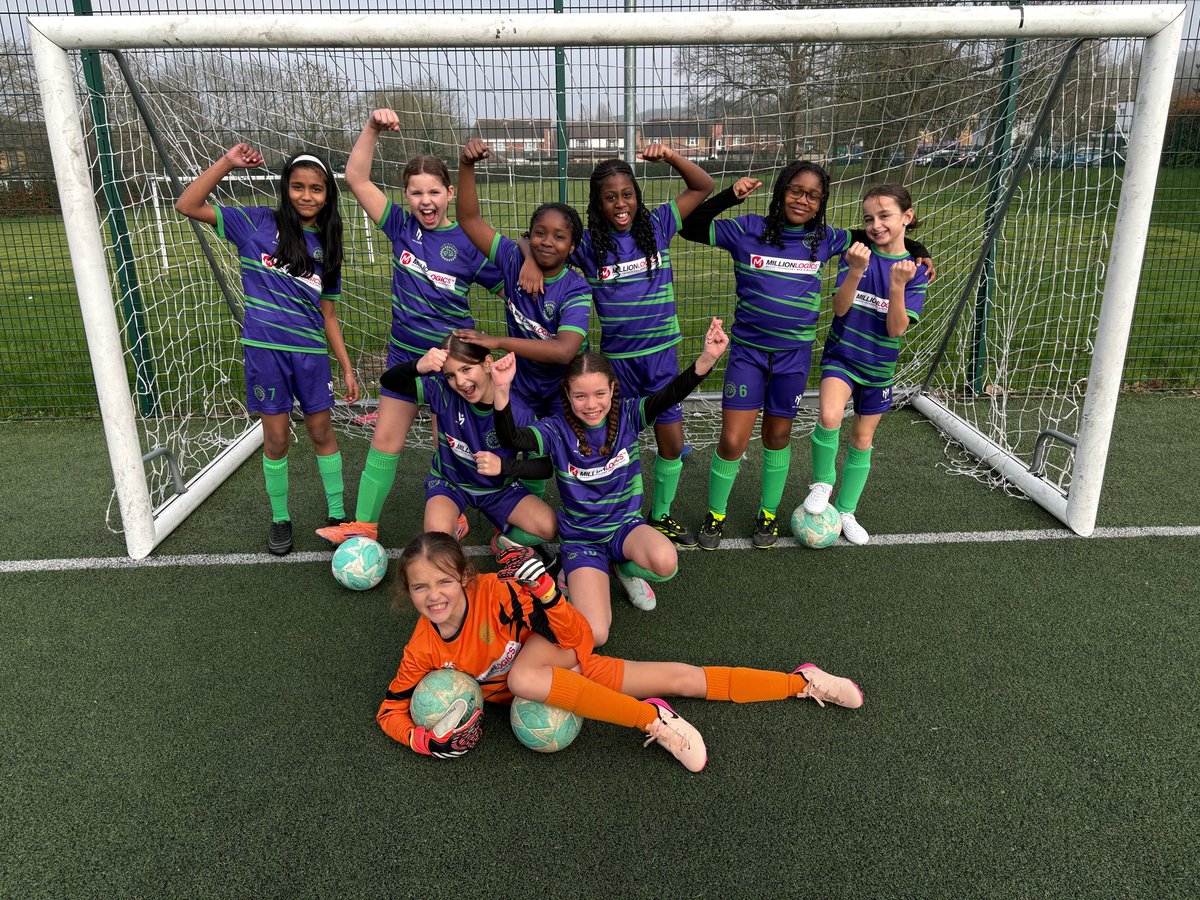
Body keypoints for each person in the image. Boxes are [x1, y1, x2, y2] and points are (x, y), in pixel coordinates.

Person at [377, 531, 863, 771]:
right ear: (409, 593)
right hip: (560, 686)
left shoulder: (500, 591)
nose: (434, 595)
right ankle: (799, 680)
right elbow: (390, 708)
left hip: (564, 659)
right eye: (420, 588)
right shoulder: (422, 647)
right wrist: (420, 740)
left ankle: (799, 685)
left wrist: (547, 594)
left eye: (444, 581)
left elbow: (581, 639)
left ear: (464, 576)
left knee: (525, 677)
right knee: (681, 679)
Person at [678, 163, 932, 550]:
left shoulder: (826, 238)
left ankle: (768, 514)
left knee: (777, 436)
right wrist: (731, 195)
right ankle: (715, 516)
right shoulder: (748, 229)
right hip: (749, 354)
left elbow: (881, 235)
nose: (803, 199)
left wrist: (919, 250)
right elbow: (689, 225)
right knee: (732, 440)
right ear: (781, 192)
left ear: (821, 203)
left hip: (794, 358)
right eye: (795, 190)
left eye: (813, 195)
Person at [317, 109, 504, 548]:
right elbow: (357, 178)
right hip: (405, 359)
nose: (426, 201)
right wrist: (372, 128)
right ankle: (362, 527)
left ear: (449, 193)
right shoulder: (400, 227)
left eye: (434, 191)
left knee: (450, 448)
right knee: (385, 440)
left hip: (451, 368)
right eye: (416, 192)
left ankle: (455, 514)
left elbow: (511, 287)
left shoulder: (468, 243)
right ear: (405, 196)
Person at [491, 317, 730, 646]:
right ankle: (571, 573)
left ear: (612, 390)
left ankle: (624, 570)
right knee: (597, 635)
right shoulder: (556, 429)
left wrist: (707, 360)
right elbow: (514, 438)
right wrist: (502, 392)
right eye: (581, 396)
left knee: (665, 562)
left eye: (599, 393)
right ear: (568, 395)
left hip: (624, 529)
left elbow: (669, 394)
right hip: (582, 540)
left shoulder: (630, 416)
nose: (591, 405)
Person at [520, 148, 714, 547]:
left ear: (637, 195)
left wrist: (672, 157)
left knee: (671, 442)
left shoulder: (657, 225)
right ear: (598, 202)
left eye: (627, 194)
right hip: (618, 364)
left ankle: (660, 515)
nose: (621, 203)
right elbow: (534, 240)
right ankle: (615, 517)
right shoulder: (589, 245)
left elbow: (703, 185)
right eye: (610, 197)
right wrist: (528, 260)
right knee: (611, 442)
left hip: (661, 356)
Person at [175, 143, 359, 556]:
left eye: (316, 189)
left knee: (321, 431)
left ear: (328, 194)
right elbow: (187, 204)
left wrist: (346, 367)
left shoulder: (328, 243)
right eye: (298, 187)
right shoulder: (254, 223)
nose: (306, 196)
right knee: (275, 439)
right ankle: (281, 518)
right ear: (285, 188)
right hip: (265, 352)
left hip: (310, 354)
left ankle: (336, 515)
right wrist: (226, 162)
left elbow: (328, 315)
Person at [451, 139, 592, 503]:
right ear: (530, 236)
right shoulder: (515, 259)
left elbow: (564, 351)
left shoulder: (576, 289)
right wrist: (467, 166)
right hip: (525, 386)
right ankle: (529, 513)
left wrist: (497, 342)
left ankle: (587, 514)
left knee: (571, 456)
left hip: (565, 388)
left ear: (572, 247)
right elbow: (469, 219)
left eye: (559, 237)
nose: (548, 242)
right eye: (540, 234)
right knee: (525, 446)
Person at [802, 184, 930, 546]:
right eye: (868, 218)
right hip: (842, 358)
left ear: (906, 217)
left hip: (879, 368)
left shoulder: (915, 271)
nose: (875, 225)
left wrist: (898, 285)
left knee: (862, 439)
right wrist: (857, 270)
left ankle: (845, 510)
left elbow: (896, 329)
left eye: (885, 216)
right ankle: (823, 483)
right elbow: (839, 309)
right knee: (828, 416)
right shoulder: (856, 255)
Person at [378, 333, 557, 551]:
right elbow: (388, 381)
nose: (460, 382)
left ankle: (504, 542)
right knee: (437, 541)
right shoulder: (441, 391)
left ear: (488, 364)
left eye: (466, 369)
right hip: (451, 484)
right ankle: (454, 522)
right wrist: (419, 365)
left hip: (498, 490)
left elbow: (544, 467)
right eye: (451, 375)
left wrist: (504, 467)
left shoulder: (520, 412)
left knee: (549, 527)